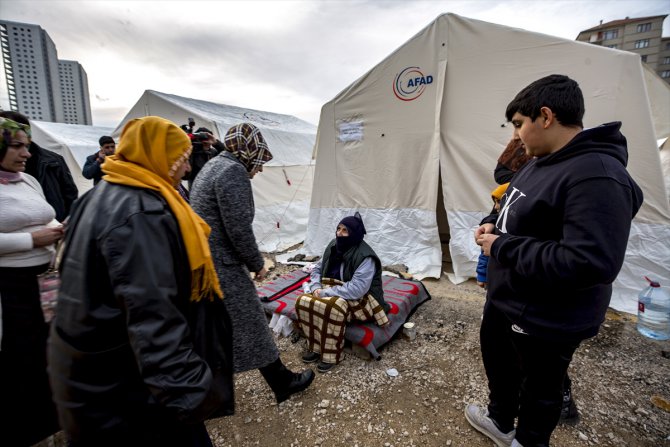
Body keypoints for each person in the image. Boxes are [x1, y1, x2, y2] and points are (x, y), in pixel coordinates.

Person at [465, 74, 643, 447]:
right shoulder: (538, 161)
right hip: (508, 298)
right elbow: (508, 205)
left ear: (545, 117)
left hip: (547, 313)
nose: (515, 137)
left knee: (540, 388)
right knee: (500, 364)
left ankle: (528, 441)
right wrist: (490, 223)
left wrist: (502, 246)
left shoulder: (597, 175)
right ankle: (499, 420)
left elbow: (589, 261)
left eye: (518, 125)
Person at [48, 116, 234, 446]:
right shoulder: (141, 214)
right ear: (159, 157)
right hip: (122, 388)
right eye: (182, 159)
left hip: (93, 373)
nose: (188, 169)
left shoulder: (102, 193)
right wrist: (193, 394)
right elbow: (152, 315)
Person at [190, 122, 314, 404]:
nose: (258, 170)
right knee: (252, 322)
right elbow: (238, 228)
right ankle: (281, 382)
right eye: (258, 161)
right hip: (223, 263)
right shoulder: (232, 172)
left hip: (208, 262)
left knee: (221, 329)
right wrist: (256, 262)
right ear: (248, 152)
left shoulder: (213, 166)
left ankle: (206, 391)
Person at [0, 117, 63, 446]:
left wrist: (59, 228)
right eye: (17, 146)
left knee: (46, 355)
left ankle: (49, 425)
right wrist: (31, 241)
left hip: (44, 283)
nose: (26, 153)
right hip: (10, 288)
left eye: (27, 145)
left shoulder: (27, 181)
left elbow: (45, 214)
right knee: (19, 359)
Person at [295, 213, 391, 373]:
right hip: (330, 288)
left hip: (363, 299)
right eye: (338, 229)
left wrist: (325, 293)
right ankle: (315, 347)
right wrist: (315, 287)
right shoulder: (333, 245)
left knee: (333, 307)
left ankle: (331, 355)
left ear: (355, 234)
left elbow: (357, 289)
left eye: (345, 230)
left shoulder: (365, 256)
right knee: (303, 301)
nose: (339, 233)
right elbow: (317, 268)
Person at [0, 111, 78, 222]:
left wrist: (67, 224)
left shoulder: (53, 160)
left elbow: (71, 196)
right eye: (16, 145)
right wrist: (31, 238)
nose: (26, 154)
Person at [476, 183, 509, 289]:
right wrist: (482, 274)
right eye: (495, 202)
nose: (495, 207)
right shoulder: (497, 224)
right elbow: (484, 252)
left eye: (499, 201)